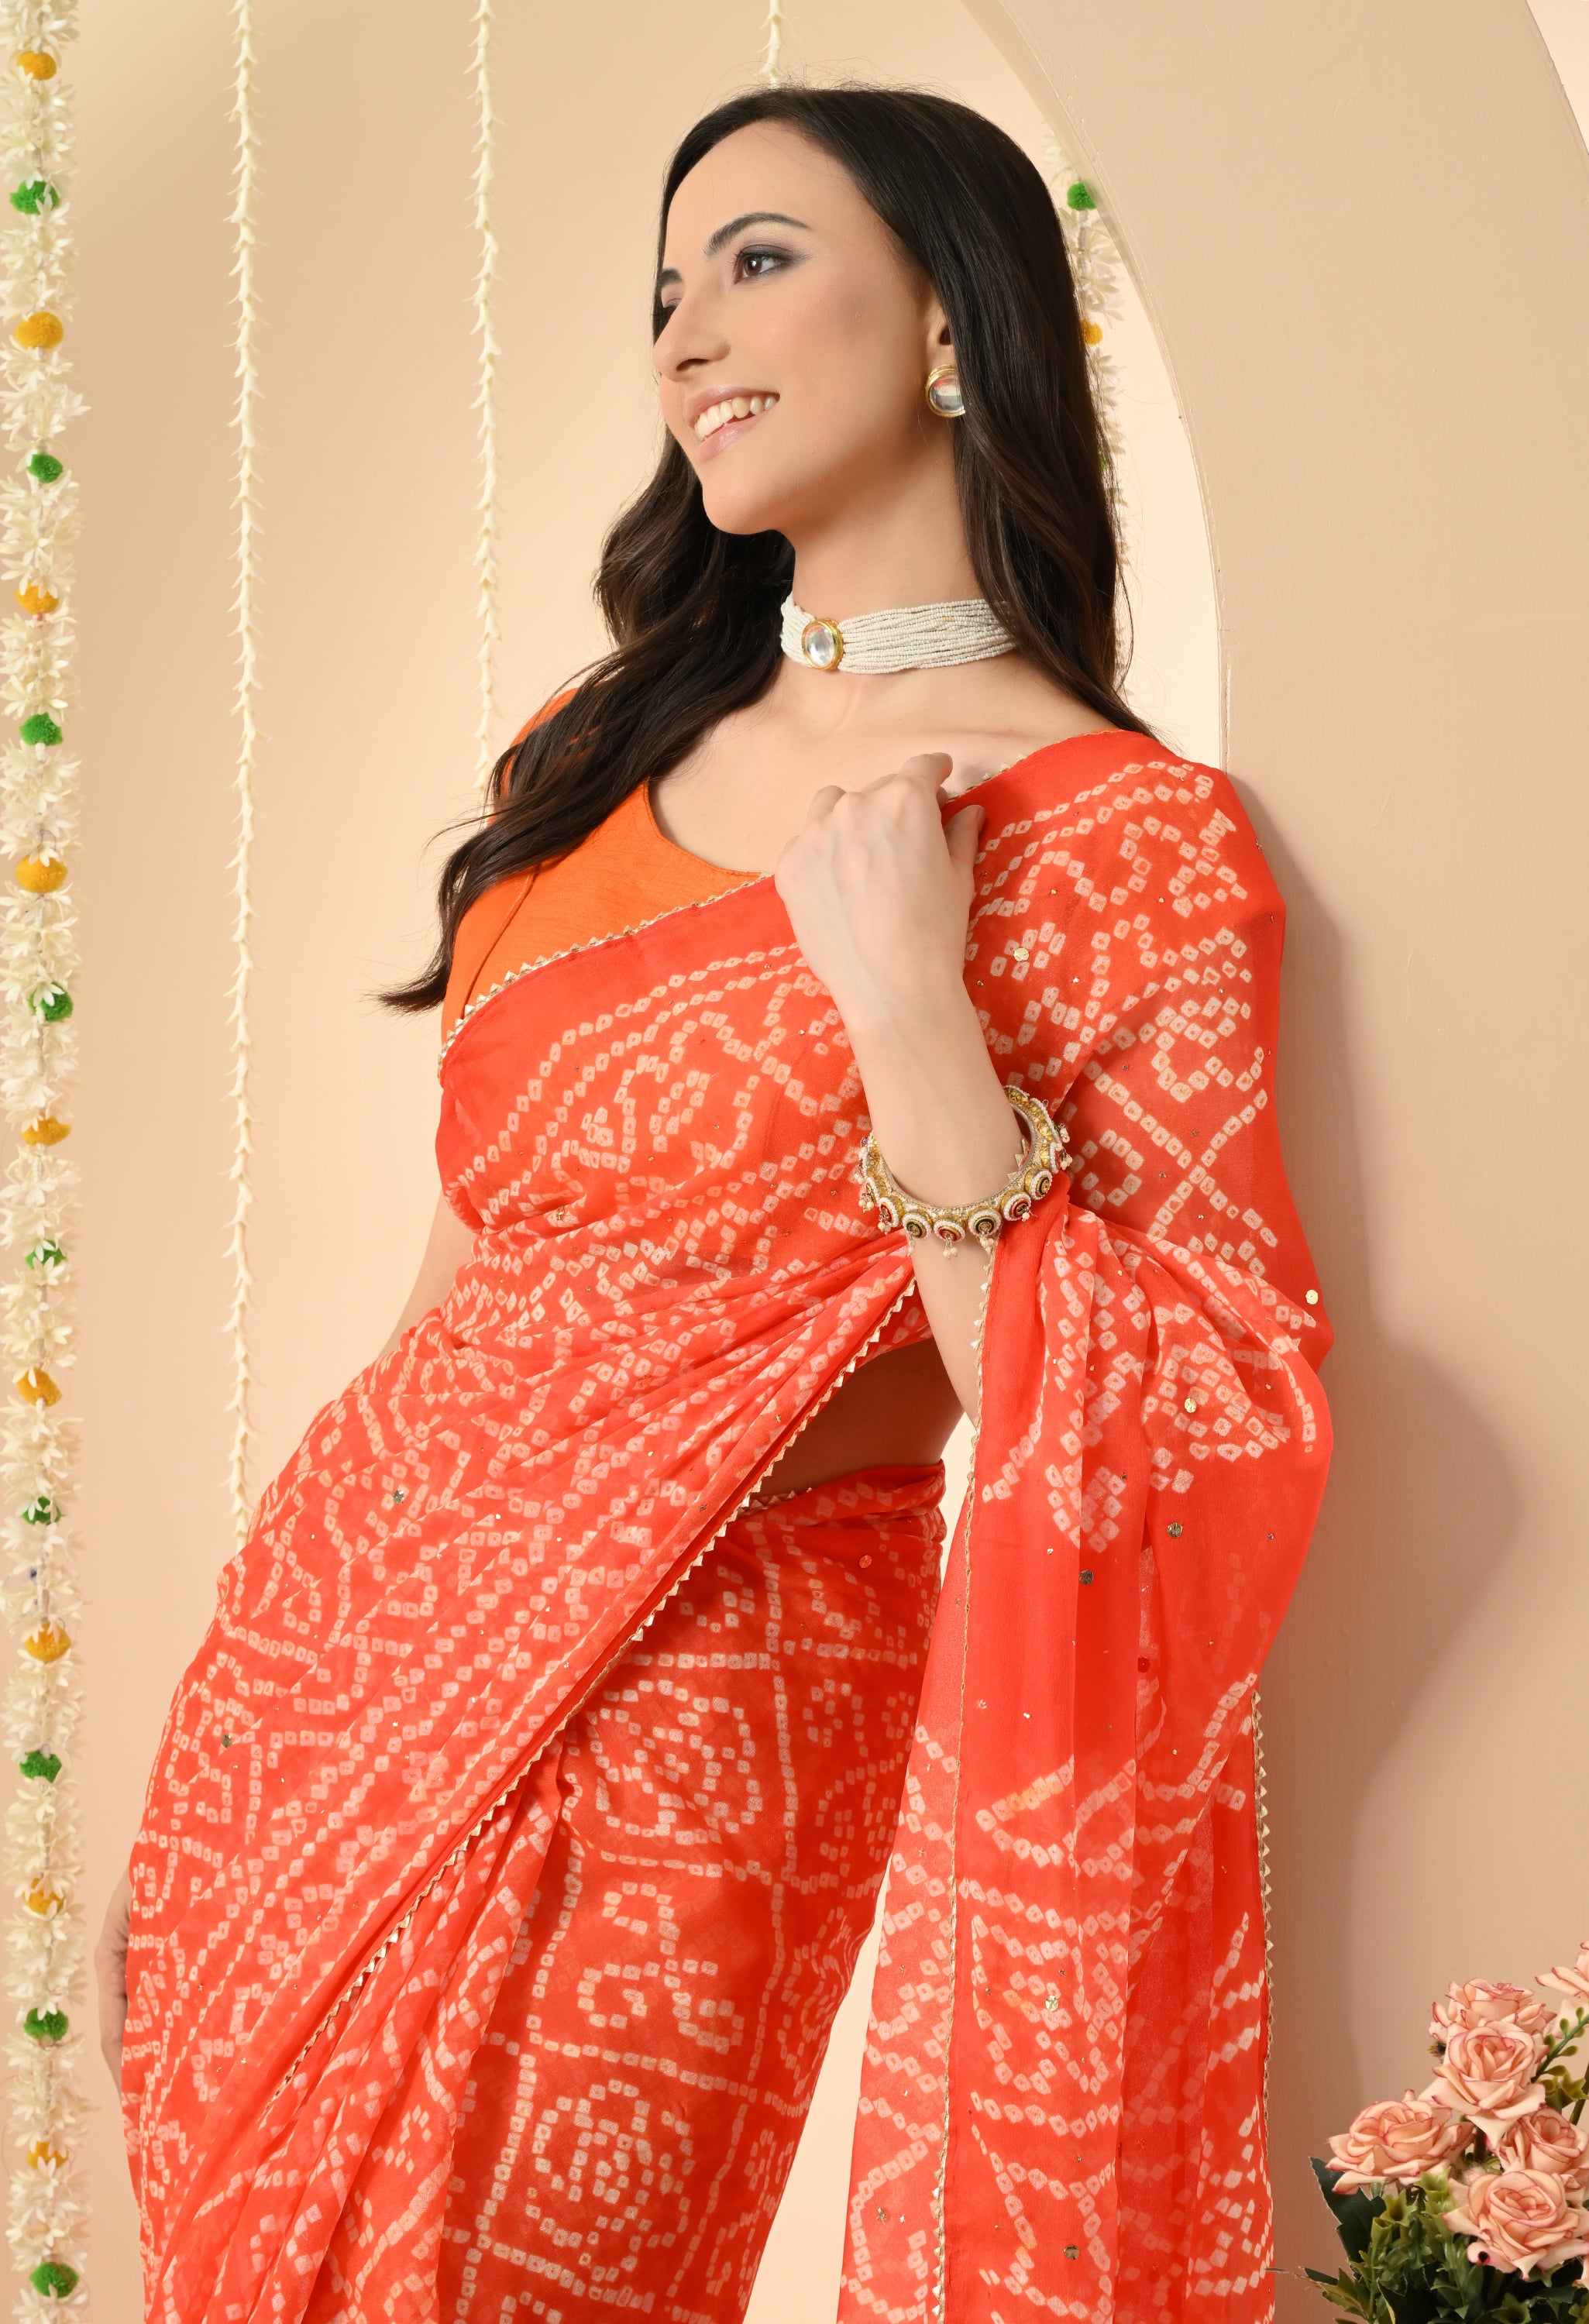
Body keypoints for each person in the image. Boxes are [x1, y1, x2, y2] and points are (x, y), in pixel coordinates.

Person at [99, 83, 1332, 2324]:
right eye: (663, 290)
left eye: (753, 259)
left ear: (955, 317)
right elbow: (448, 1296)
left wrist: (909, 1019)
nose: (684, 334)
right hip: (338, 1686)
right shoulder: (587, 750)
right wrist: (251, 1758)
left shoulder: (1129, 845)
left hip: (724, 1692)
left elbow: (1177, 1428)